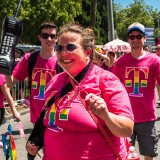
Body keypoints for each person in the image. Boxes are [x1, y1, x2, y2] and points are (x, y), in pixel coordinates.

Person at [26, 22, 134, 160]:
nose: (64, 53)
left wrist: (106, 115)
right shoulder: (55, 81)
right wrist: (37, 142)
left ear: (88, 52)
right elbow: (48, 123)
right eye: (59, 48)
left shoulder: (106, 80)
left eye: (71, 47)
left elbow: (127, 129)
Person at [113, 22, 160, 160]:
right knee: (124, 154)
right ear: (128, 39)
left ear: (144, 38)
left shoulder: (154, 61)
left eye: (139, 36)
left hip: (147, 116)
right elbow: (115, 88)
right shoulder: (121, 62)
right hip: (125, 116)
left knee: (149, 154)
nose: (135, 40)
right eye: (132, 37)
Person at [5, 22, 60, 124]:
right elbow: (10, 83)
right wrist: (5, 67)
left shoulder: (63, 60)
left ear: (57, 38)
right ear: (39, 37)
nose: (49, 39)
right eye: (45, 36)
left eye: (52, 36)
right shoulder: (29, 59)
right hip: (37, 120)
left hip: (57, 119)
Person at [0, 74, 21, 148]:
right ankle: (4, 147)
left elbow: (8, 96)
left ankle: (4, 147)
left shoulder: (1, 77)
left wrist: (14, 112)